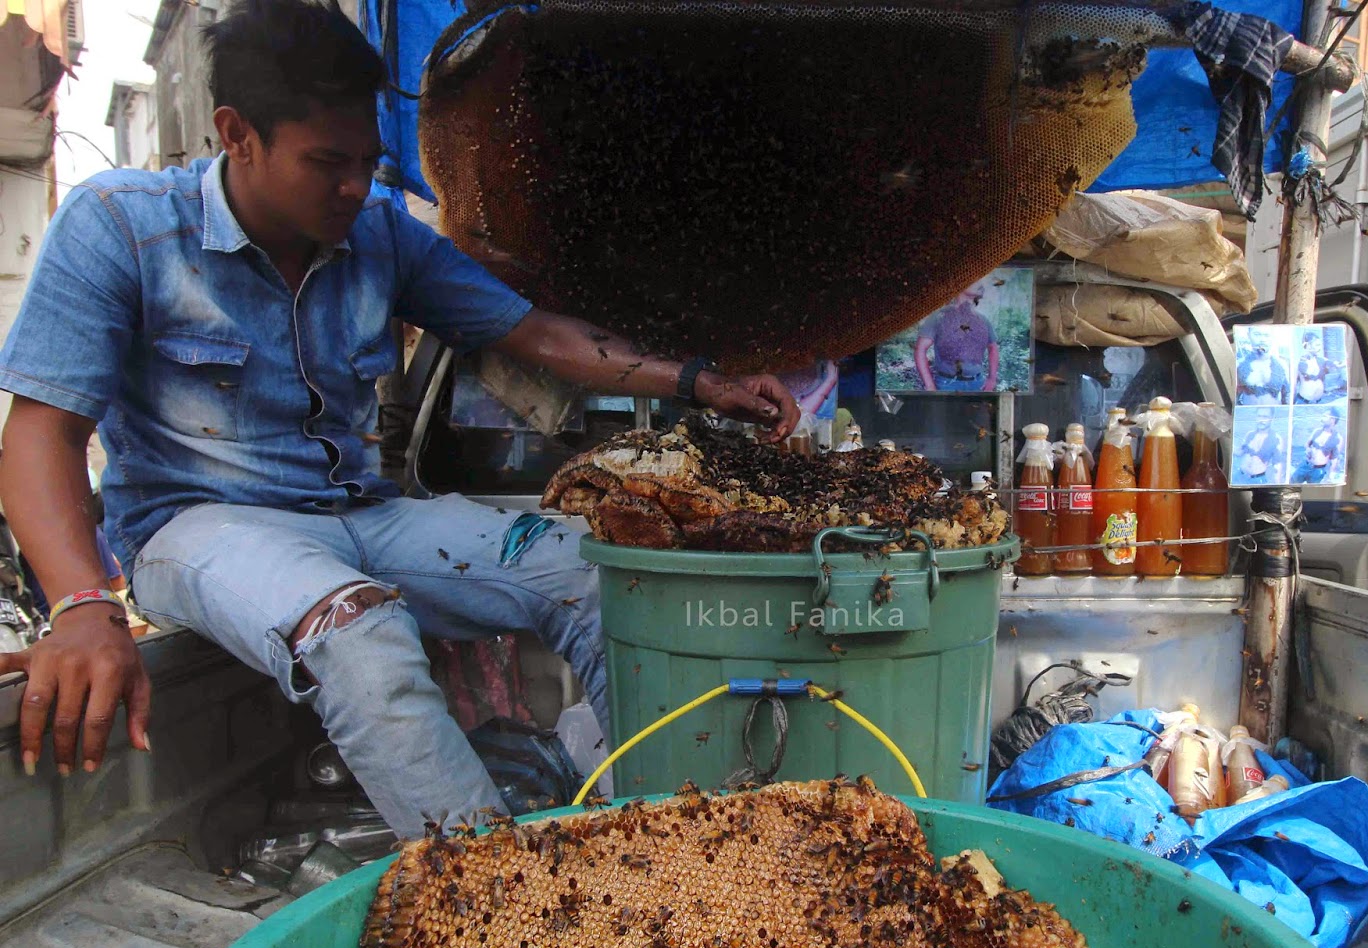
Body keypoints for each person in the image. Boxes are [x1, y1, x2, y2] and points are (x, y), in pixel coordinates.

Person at [0, 0, 798, 838]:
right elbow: (41, 433)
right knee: (355, 626)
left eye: (367, 161)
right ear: (237, 134)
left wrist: (704, 381)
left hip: (357, 518)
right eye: (326, 162)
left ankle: (676, 841)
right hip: (197, 528)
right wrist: (83, 607)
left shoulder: (381, 232)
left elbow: (536, 332)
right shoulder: (120, 226)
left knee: (613, 574)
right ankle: (499, 905)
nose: (356, 185)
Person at [913, 282, 999, 392]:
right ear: (960, 283)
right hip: (946, 384)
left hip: (978, 384)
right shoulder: (939, 317)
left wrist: (992, 379)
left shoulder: (982, 320)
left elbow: (993, 348)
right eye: (973, 280)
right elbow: (920, 349)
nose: (979, 283)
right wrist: (929, 385)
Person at [1293, 410, 1345, 484]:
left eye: (1325, 416)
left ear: (1332, 420)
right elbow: (1307, 444)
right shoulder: (1316, 431)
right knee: (1292, 484)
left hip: (1318, 470)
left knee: (1312, 492)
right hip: (1305, 465)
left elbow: (1334, 459)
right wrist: (1307, 449)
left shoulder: (1338, 438)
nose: (1322, 417)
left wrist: (1330, 475)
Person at [1236, 334, 1288, 406]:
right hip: (1249, 413)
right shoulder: (1240, 364)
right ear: (1249, 335)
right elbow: (1235, 395)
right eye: (1257, 334)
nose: (1262, 339)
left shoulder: (1282, 364)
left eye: (1266, 335)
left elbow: (1287, 394)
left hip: (1275, 414)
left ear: (1272, 338)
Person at [1236, 415, 1286, 484]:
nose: (1261, 420)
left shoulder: (1276, 439)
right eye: (1259, 416)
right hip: (1240, 476)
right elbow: (1239, 452)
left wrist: (1278, 483)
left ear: (1271, 419)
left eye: (1265, 417)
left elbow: (1277, 463)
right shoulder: (1250, 434)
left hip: (1257, 480)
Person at [1295, 331, 1327, 404]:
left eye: (1320, 345)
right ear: (1308, 345)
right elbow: (1293, 385)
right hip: (1303, 402)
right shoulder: (1298, 362)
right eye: (1317, 345)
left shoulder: (1320, 360)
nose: (1320, 348)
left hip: (1319, 402)